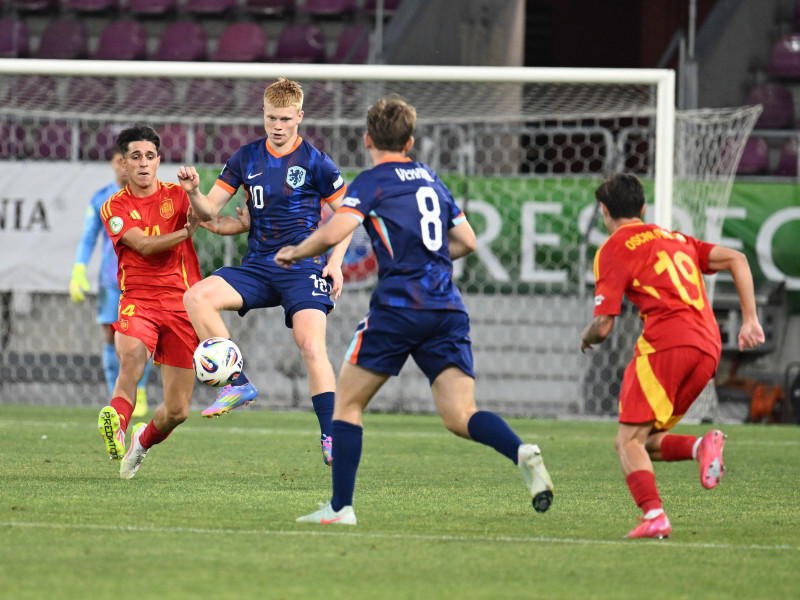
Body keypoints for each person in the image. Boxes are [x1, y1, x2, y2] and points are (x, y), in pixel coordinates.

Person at [275, 96, 554, 525]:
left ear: (367, 139)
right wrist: (430, 261)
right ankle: (519, 450)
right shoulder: (431, 179)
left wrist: (297, 252)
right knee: (461, 415)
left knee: (347, 404)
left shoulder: (372, 182)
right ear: (410, 140)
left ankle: (340, 508)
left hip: (399, 307)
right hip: (446, 307)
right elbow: (468, 241)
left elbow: (337, 228)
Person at [579, 173, 765, 539]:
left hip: (668, 343)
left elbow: (603, 327)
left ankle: (654, 516)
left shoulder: (614, 249)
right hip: (708, 348)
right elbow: (737, 259)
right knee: (644, 439)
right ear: (642, 208)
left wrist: (585, 337)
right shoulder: (675, 238)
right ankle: (701, 446)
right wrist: (750, 320)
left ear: (604, 210)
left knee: (627, 441)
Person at [178, 77, 350, 468]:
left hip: (302, 266)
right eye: (272, 117)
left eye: (286, 119)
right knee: (196, 297)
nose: (277, 125)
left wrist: (335, 263)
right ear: (263, 114)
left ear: (299, 117)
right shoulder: (245, 158)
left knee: (310, 345)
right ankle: (238, 384)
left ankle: (331, 435)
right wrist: (193, 192)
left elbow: (349, 216)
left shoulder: (315, 161)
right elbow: (210, 211)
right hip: (258, 267)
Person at [96, 123, 205, 480]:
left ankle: (140, 441)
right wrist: (185, 233)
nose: (143, 163)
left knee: (177, 410)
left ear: (159, 161)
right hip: (138, 301)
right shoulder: (114, 206)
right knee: (131, 359)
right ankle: (117, 424)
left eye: (150, 156)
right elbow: (142, 244)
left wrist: (245, 223)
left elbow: (212, 221)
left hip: (181, 304)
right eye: (135, 157)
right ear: (123, 165)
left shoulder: (178, 195)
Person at [69, 148, 152, 418]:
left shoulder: (147, 197)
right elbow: (88, 237)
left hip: (140, 279)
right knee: (109, 335)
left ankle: (137, 391)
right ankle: (115, 394)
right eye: (118, 161)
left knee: (141, 337)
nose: (123, 166)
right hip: (110, 279)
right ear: (114, 163)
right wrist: (78, 270)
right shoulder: (101, 199)